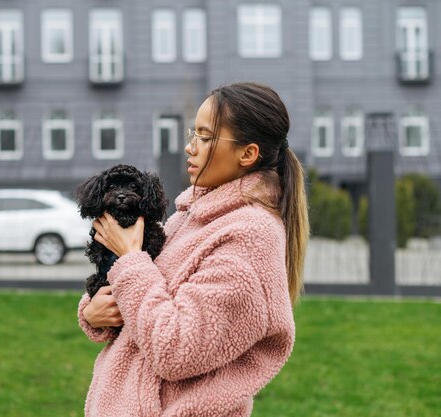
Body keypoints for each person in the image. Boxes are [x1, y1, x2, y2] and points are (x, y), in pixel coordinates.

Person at [77, 82, 310, 417]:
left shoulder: (249, 237)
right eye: (193, 133)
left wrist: (129, 259)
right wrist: (95, 311)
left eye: (205, 136)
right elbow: (149, 297)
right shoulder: (191, 217)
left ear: (247, 154)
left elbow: (177, 349)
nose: (191, 147)